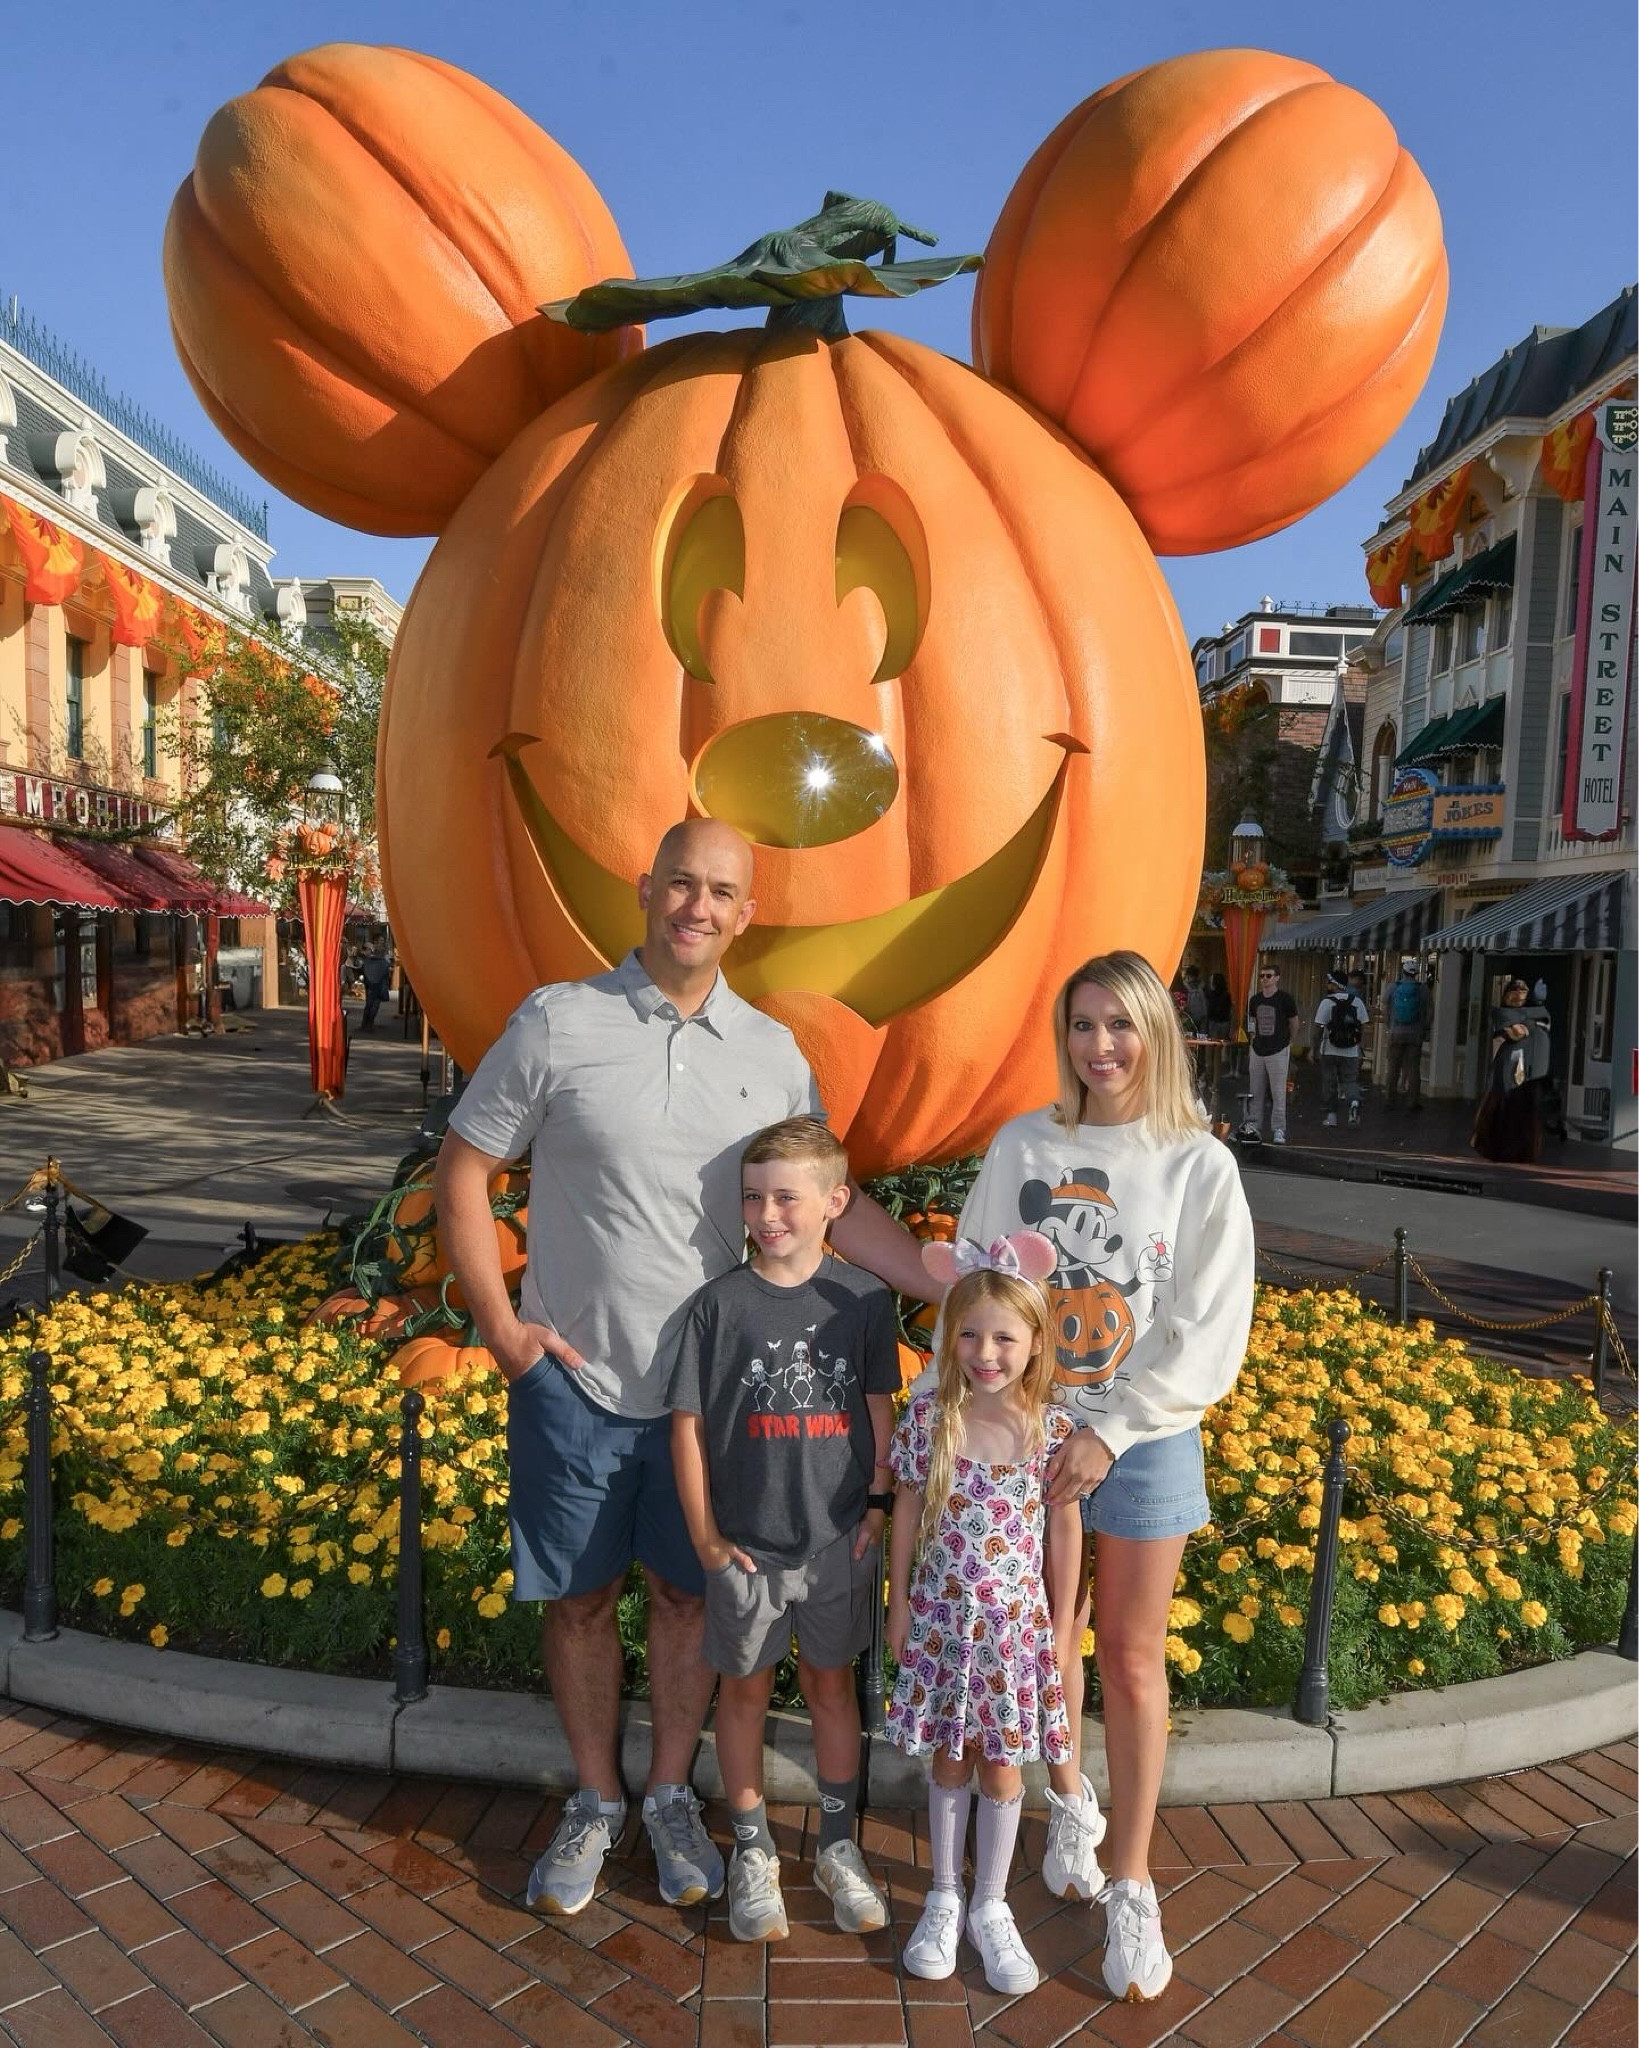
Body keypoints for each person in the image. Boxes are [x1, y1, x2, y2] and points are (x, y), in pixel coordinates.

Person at [433, 819, 930, 1917]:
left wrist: (952, 1281)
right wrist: (505, 1330)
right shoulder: (560, 1021)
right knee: (576, 1599)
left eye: (720, 890)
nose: (695, 906)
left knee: (686, 1594)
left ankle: (667, 1792)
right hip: (577, 1376)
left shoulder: (771, 1053)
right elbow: (463, 1169)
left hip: (718, 1399)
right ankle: (597, 1798)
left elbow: (827, 1208)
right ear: (644, 887)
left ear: (746, 912)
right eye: (679, 883)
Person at [942, 950, 1255, 2002]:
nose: (1100, 1046)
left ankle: (1130, 1875)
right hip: (1029, 1436)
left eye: (1119, 1025)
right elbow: (982, 1280)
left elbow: (1211, 1327)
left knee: (1125, 1653)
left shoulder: (1195, 1162)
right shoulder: (1027, 1141)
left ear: (1154, 1033)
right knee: (1039, 1631)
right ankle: (1067, 1792)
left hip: (1147, 1434)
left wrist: (1112, 1429)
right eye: (1081, 1024)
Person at [669, 1117, 897, 1944]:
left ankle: (837, 1846)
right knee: (744, 1692)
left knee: (832, 1687)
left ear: (835, 1201)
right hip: (745, 1544)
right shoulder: (717, 1307)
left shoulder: (864, 1300)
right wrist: (702, 1536)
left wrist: (876, 1501)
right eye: (753, 1197)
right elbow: (688, 1426)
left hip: (837, 1538)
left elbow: (879, 1409)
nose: (767, 1214)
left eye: (786, 1198)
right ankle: (754, 1850)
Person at [888, 1243, 1082, 1995]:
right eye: (968, 1334)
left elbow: (1064, 1534)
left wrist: (1062, 1627)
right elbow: (906, 1505)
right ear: (948, 1338)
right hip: (943, 1622)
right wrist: (899, 1599)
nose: (985, 1353)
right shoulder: (931, 1416)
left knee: (1003, 1767)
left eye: (1003, 1337)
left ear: (1035, 1341)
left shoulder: (1050, 1432)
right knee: (948, 1756)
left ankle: (991, 1906)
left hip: (1011, 1633)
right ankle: (943, 1893)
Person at [1472, 979, 1552, 1163]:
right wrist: (1530, 1019)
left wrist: (1529, 1019)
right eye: (1515, 991)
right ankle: (1500, 1150)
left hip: (1527, 1071)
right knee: (1503, 1110)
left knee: (1520, 1112)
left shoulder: (1525, 1014)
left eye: (1522, 991)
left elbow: (1531, 1026)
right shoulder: (1502, 1013)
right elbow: (1518, 1032)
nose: (1518, 995)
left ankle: (1518, 1151)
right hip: (1508, 1070)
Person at [1245, 962, 1299, 1144]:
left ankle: (1279, 1129)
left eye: (1268, 976)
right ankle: (1254, 1126)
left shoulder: (1285, 999)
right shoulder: (1255, 1000)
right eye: (1262, 976)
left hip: (1278, 1049)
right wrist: (1252, 1041)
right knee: (1255, 1091)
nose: (1264, 980)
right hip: (1258, 1048)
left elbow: (1294, 1023)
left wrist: (1288, 1043)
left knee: (1278, 1092)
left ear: (1277, 978)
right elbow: (1253, 1022)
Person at [1314, 970, 1369, 1128]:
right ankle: (1353, 1102)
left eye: (1329, 982)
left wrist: (1314, 1048)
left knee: (1329, 1082)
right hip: (1351, 1050)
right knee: (1350, 1081)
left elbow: (1318, 1027)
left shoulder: (1327, 1002)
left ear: (1335, 984)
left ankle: (1331, 1116)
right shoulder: (1357, 1002)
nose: (1327, 985)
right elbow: (1363, 1025)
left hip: (1329, 1049)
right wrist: (1359, 1047)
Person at [1380, 959, 1432, 1112]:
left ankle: (1390, 1100)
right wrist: (1424, 1028)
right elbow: (1430, 1011)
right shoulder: (1422, 989)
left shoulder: (1393, 987)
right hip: (1415, 1035)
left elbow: (1385, 1008)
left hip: (1396, 1033)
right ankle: (1412, 1102)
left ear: (1402, 971)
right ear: (1416, 973)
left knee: (1393, 1068)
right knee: (1413, 1069)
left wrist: (1389, 1026)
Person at [359, 943, 392, 1031]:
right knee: (375, 1006)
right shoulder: (385, 963)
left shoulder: (367, 961)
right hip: (379, 987)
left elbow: (364, 972)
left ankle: (364, 1023)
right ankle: (370, 1023)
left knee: (368, 1005)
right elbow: (387, 975)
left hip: (370, 986)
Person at [1179, 964, 1210, 1036]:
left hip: (1190, 1016)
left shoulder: (1184, 986)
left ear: (1188, 975)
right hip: (1203, 1015)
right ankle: (1201, 1047)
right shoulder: (1203, 985)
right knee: (1202, 1036)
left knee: (1190, 1035)